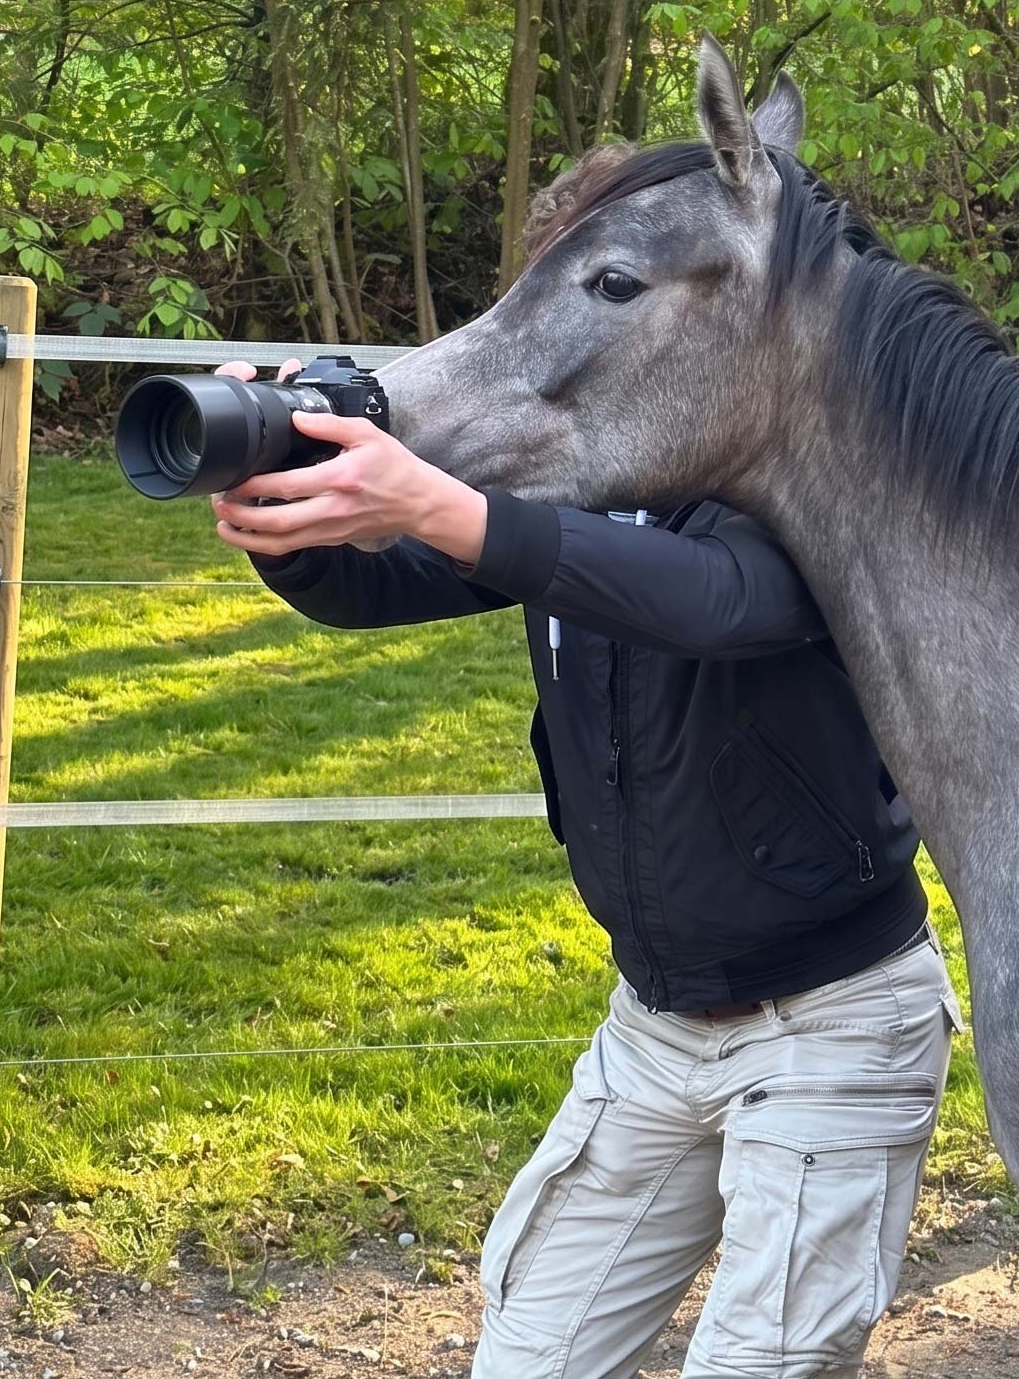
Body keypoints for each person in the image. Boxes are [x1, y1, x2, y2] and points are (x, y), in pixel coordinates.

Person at [210, 356, 962, 1379]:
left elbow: (715, 599)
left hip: (831, 1026)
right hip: (652, 1029)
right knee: (531, 1357)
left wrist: (443, 503)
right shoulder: (579, 482)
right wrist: (280, 504)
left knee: (760, 1363)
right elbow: (367, 585)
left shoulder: (820, 487)